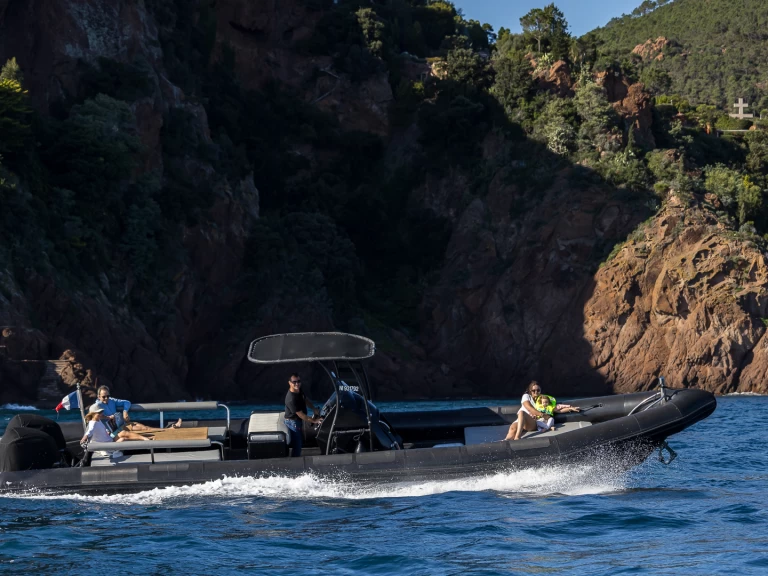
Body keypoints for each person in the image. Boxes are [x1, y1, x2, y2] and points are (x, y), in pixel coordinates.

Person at [95, 385, 181, 436]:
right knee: (143, 431)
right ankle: (169, 430)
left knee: (145, 428)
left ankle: (169, 429)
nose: (106, 398)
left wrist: (125, 411)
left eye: (108, 396)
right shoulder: (97, 406)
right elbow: (95, 417)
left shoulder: (112, 401)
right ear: (98, 397)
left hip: (121, 425)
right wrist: (108, 417)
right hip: (112, 431)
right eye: (103, 397)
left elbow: (127, 402)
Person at [79, 405, 152, 458]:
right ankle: (145, 445)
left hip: (110, 439)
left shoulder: (98, 419)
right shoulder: (92, 423)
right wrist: (83, 439)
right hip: (108, 445)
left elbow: (102, 421)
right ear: (93, 414)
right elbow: (89, 432)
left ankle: (144, 439)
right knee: (123, 439)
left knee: (123, 433)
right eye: (99, 412)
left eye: (101, 412)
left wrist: (108, 423)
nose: (101, 414)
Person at [284, 373, 322, 457]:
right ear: (289, 383)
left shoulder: (298, 390)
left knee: (299, 443)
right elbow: (301, 415)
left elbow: (305, 399)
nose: (297, 384)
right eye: (294, 382)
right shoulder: (291, 399)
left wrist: (313, 409)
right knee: (297, 445)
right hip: (293, 423)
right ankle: (295, 461)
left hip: (297, 421)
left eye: (298, 381)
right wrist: (314, 421)